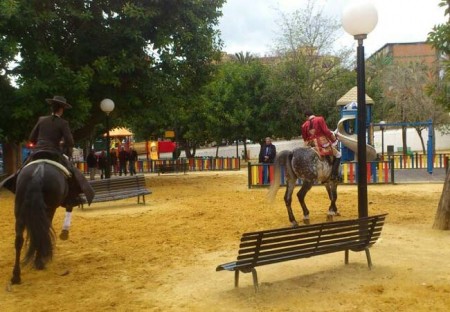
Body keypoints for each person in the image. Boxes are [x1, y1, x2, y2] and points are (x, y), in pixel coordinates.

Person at [1, 96, 94, 207]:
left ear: (52, 108)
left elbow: (31, 138)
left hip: (38, 151)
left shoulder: (41, 119)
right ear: (62, 109)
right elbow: (70, 142)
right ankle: (73, 198)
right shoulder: (63, 123)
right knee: (72, 172)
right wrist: (61, 144)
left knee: (22, 169)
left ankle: (14, 186)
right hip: (54, 152)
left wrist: (40, 142)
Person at [301, 110, 341, 181]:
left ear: (307, 116)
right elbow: (326, 131)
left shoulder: (304, 125)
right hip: (321, 143)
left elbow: (305, 138)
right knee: (338, 155)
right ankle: (333, 175)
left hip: (310, 144)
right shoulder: (320, 119)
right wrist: (334, 140)